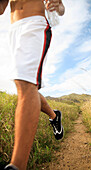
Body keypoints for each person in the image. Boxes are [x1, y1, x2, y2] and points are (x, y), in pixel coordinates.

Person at [0, 0, 65, 169]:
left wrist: (58, 6)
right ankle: (54, 116)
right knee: (25, 87)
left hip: (35, 23)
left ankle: (17, 165)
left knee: (25, 83)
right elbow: (1, 9)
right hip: (14, 29)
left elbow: (61, 8)